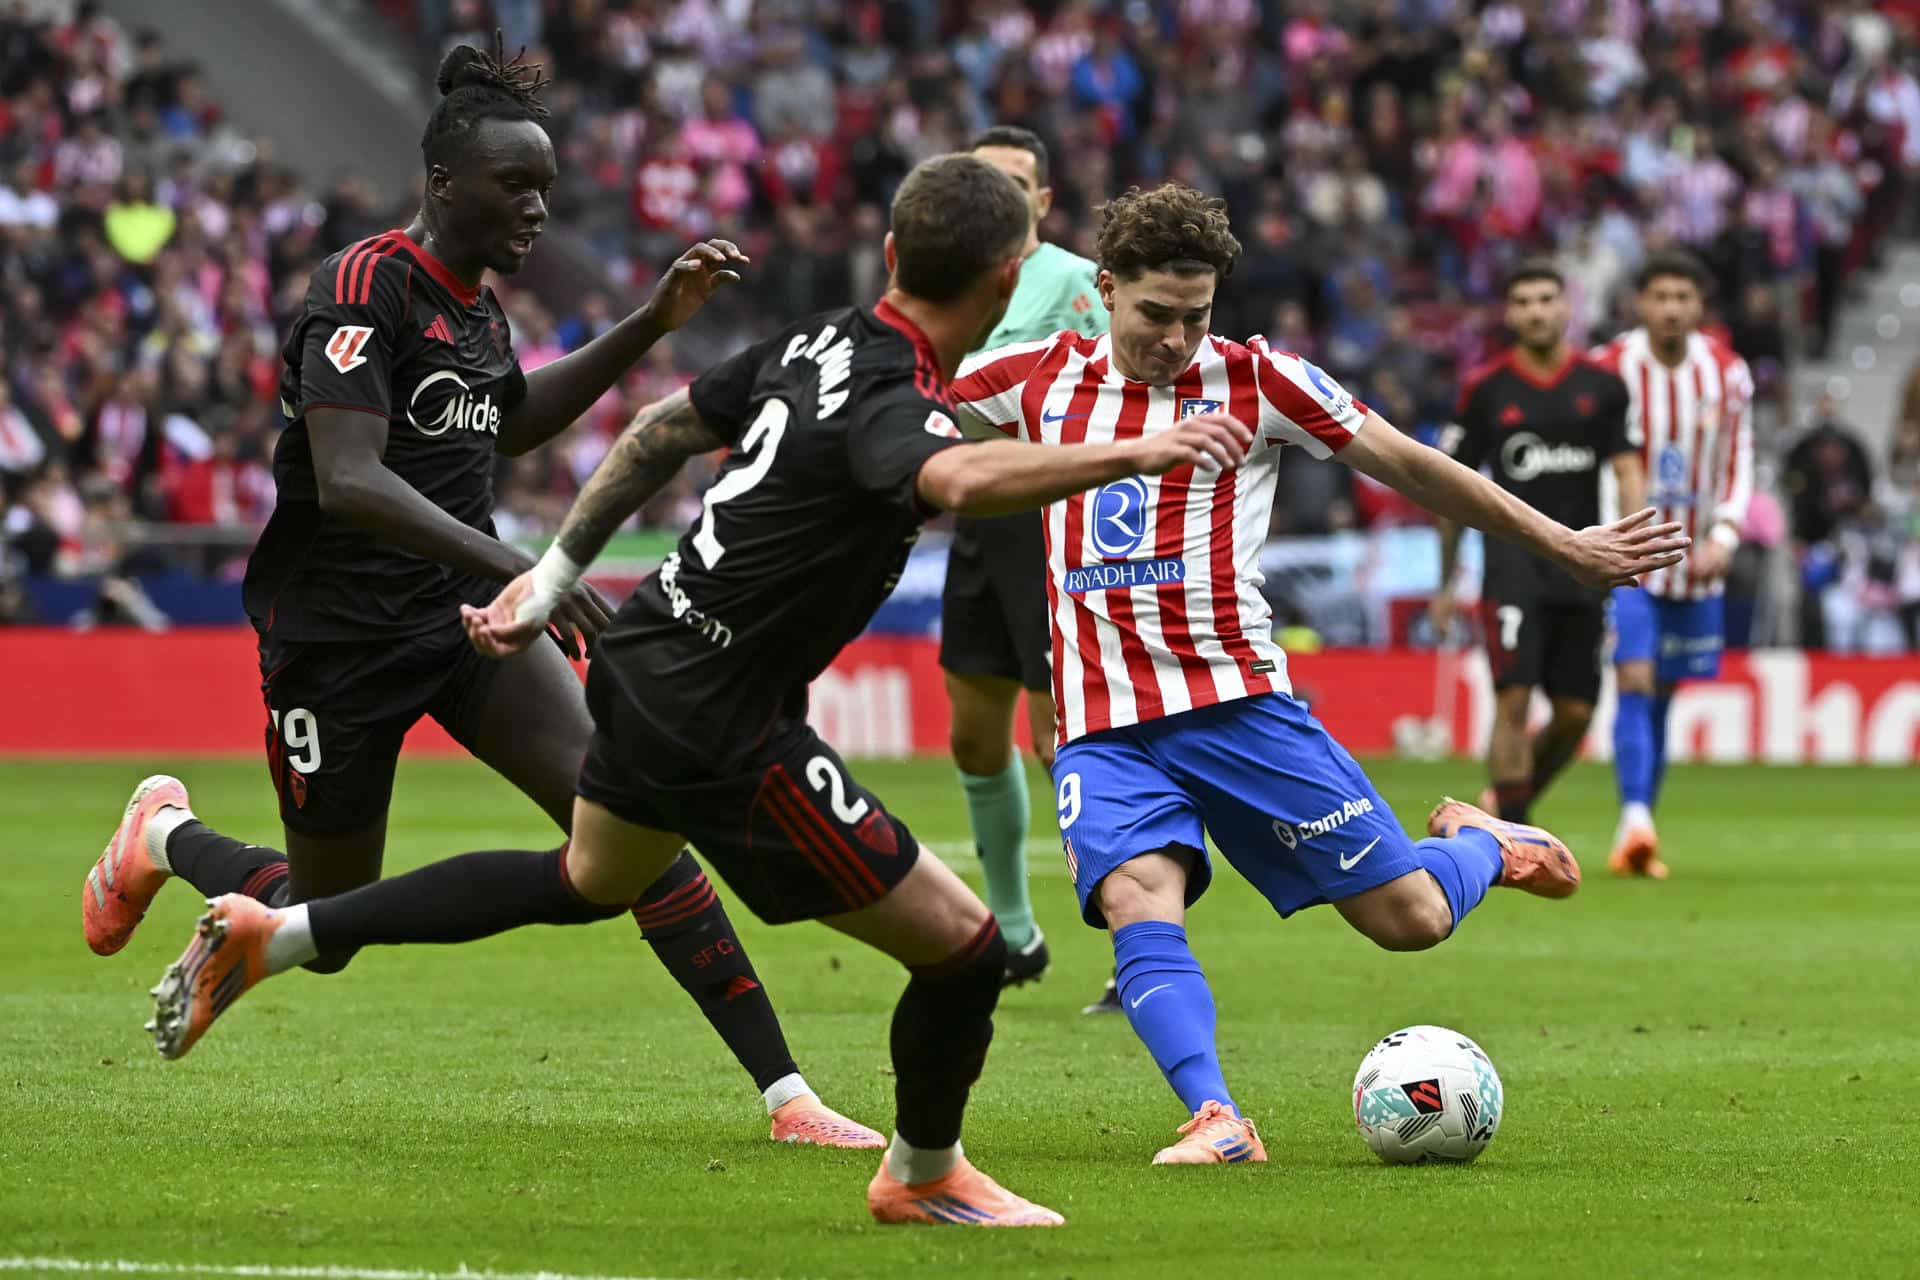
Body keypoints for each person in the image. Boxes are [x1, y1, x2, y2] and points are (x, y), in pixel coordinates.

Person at [142, 154, 1260, 1226]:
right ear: (1010, 282)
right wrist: (1133, 454)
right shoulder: (893, 402)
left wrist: (554, 577)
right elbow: (957, 473)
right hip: (723, 715)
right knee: (967, 948)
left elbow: (658, 428)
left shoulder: (820, 341)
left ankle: (276, 931)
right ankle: (924, 1172)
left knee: (585, 876)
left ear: (886, 252)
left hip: (645, 653)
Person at [85, 38, 879, 1148]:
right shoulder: (365, 287)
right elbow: (350, 482)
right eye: (518, 186)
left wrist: (651, 322)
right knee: (330, 919)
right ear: (447, 182)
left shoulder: (477, 309)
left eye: (548, 189)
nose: (539, 210)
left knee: (628, 821)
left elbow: (510, 419)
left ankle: (787, 1096)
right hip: (338, 640)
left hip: (465, 621)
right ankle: (163, 834)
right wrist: (531, 563)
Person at [948, 184, 1686, 1165]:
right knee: (1137, 900)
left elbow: (1414, 464)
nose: (1175, 338)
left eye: (1195, 316)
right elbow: (901, 412)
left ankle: (1483, 844)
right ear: (1105, 288)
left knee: (1410, 920)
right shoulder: (1030, 379)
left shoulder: (1261, 381)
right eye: (1154, 315)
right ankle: (1218, 1117)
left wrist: (1563, 541)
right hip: (1102, 719)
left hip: (1239, 707)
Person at [937, 126, 1106, 993]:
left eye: (1019, 183)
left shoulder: (1077, 284)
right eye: (986, 180)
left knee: (1059, 741)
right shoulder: (948, 278)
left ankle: (1134, 938)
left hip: (1049, 527)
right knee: (973, 732)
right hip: (976, 523)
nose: (1002, 195)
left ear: (1042, 200)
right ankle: (1014, 930)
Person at [1430, 261, 1645, 824]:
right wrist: (1446, 581)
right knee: (1514, 699)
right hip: (1512, 565)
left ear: (1567, 307)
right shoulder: (1486, 389)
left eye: (1546, 299)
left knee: (1576, 714)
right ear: (1510, 313)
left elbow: (1627, 471)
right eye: (1523, 302)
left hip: (1584, 565)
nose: (1536, 311)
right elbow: (1448, 487)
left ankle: (1505, 812)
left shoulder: (1602, 388)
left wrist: (1633, 543)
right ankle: (1512, 839)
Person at [1592, 251, 1753, 878]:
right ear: (1641, 303)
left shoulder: (1727, 372)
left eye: (1683, 296)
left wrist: (1727, 534)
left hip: (1695, 560)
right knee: (1633, 678)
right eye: (1660, 296)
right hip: (1627, 556)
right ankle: (1635, 818)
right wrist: (1603, 540)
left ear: (1699, 305)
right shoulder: (1611, 369)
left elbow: (1741, 457)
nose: (1671, 308)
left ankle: (1639, 828)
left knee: (1662, 692)